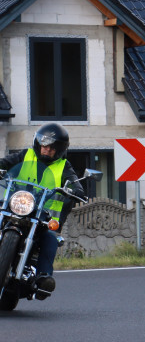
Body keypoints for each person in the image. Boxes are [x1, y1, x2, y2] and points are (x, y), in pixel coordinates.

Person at [0, 123, 84, 300]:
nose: (46, 150)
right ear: (37, 144)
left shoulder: (64, 166)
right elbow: (5, 163)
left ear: (59, 149)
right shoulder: (26, 155)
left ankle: (43, 277)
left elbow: (75, 183)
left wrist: (76, 190)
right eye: (43, 146)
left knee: (50, 238)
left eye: (51, 148)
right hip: (16, 205)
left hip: (42, 214)